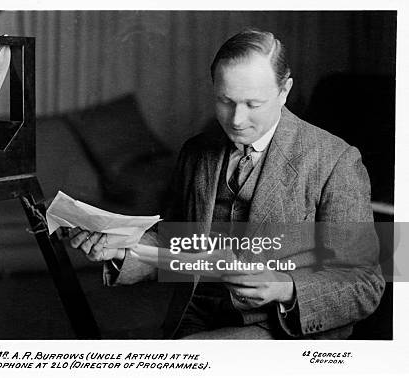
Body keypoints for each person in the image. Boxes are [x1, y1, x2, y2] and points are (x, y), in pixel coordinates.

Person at [68, 29, 384, 339]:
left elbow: (365, 285)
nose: (236, 119)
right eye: (225, 100)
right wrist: (123, 250)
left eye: (253, 104)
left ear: (284, 90)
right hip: (194, 319)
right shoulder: (196, 151)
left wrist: (284, 288)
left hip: (281, 327)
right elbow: (175, 243)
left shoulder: (335, 160)